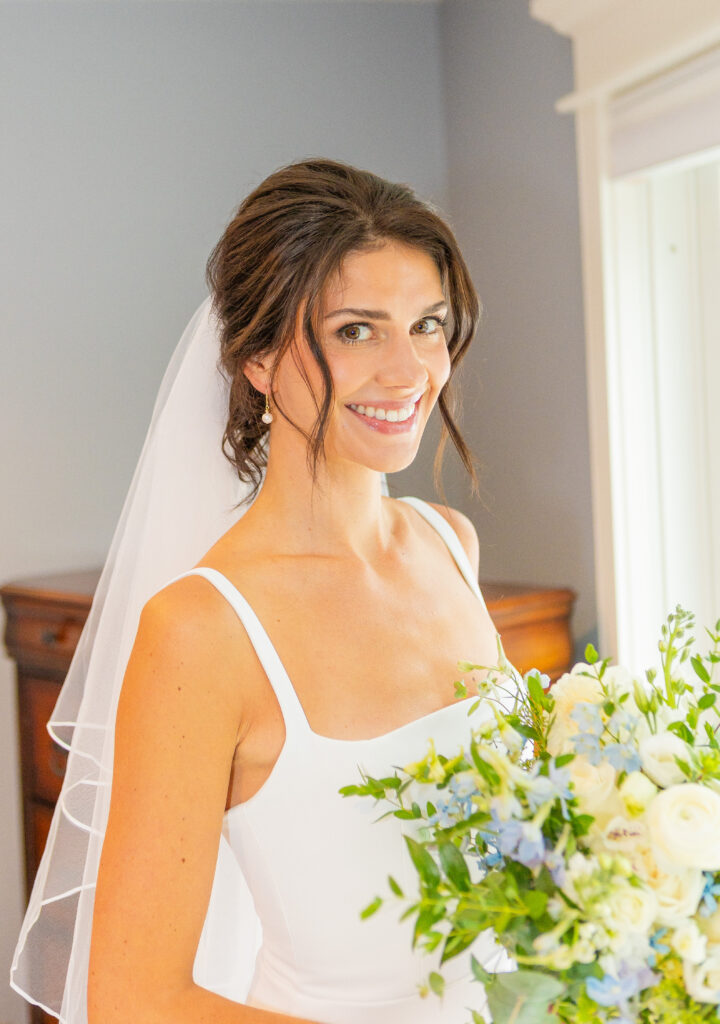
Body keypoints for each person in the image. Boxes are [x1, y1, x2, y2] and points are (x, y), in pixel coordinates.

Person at [11, 158, 508, 1024]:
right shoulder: (200, 632)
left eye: (426, 324)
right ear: (258, 359)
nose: (408, 372)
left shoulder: (449, 546)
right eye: (357, 330)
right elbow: (133, 998)